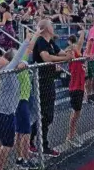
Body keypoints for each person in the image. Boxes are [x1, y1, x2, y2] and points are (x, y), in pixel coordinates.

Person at [0, 28, 41, 170]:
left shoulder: (9, 69)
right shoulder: (5, 70)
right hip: (4, 112)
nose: (2, 56)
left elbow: (21, 62)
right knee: (7, 144)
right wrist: (27, 39)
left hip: (0, 110)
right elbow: (18, 59)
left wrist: (26, 62)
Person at [30, 19, 73, 157]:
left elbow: (61, 53)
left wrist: (67, 55)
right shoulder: (41, 41)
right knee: (45, 114)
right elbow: (47, 58)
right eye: (51, 25)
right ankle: (39, 142)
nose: (53, 27)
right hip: (42, 81)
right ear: (45, 28)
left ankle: (33, 140)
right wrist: (64, 59)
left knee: (47, 114)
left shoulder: (50, 42)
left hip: (49, 80)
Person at [65, 28, 86, 147]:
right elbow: (67, 53)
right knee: (75, 112)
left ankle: (72, 134)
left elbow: (80, 42)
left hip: (80, 85)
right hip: (75, 86)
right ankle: (70, 136)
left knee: (77, 112)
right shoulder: (71, 53)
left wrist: (82, 32)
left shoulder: (77, 51)